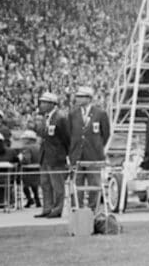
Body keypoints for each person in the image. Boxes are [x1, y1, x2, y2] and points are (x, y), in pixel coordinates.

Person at [69, 86, 110, 211]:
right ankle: (77, 209)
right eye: (77, 96)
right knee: (76, 183)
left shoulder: (100, 114)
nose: (78, 99)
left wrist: (96, 146)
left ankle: (93, 209)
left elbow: (106, 134)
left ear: (89, 98)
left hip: (94, 155)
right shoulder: (73, 114)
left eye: (81, 96)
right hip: (77, 154)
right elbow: (70, 133)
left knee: (94, 184)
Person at [35, 91, 70, 219]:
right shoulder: (45, 118)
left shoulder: (60, 118)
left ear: (52, 104)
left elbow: (66, 138)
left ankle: (57, 209)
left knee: (57, 185)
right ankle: (47, 208)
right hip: (45, 156)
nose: (41, 105)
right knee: (45, 184)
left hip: (56, 157)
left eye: (44, 102)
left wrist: (64, 154)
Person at [18, 130, 42, 209]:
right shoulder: (39, 146)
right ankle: (37, 200)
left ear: (29, 139)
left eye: (25, 138)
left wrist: (20, 160)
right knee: (35, 186)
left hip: (28, 170)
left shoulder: (27, 147)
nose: (23, 140)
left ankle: (29, 199)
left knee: (25, 186)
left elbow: (26, 160)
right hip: (38, 169)